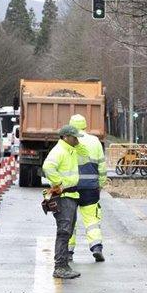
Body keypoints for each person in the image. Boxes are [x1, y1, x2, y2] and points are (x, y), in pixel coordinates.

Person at [42, 125, 83, 279]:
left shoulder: (69, 149)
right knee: (64, 232)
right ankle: (60, 266)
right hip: (64, 197)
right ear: (66, 137)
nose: (77, 140)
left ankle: (63, 265)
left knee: (67, 231)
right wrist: (59, 183)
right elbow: (48, 167)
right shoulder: (60, 151)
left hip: (70, 196)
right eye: (74, 137)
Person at [68, 114, 107, 262]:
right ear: (85, 125)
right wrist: (101, 183)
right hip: (90, 187)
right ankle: (96, 247)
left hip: (71, 188)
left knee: (70, 219)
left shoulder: (67, 142)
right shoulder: (95, 141)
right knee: (92, 220)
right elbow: (101, 165)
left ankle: (68, 251)